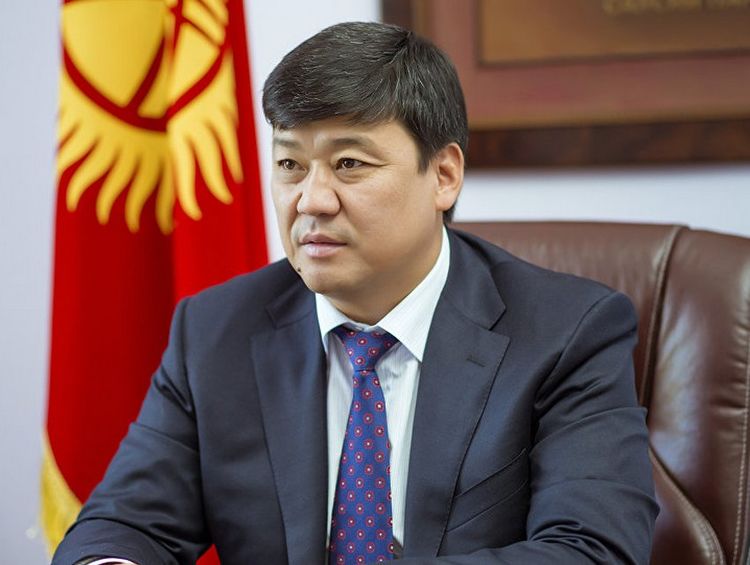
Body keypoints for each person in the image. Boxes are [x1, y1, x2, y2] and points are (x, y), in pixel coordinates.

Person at [52, 21, 658, 565]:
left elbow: (591, 548)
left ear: (444, 175)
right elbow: (123, 526)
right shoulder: (216, 330)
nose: (311, 201)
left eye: (349, 164)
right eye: (290, 166)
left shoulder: (566, 332)